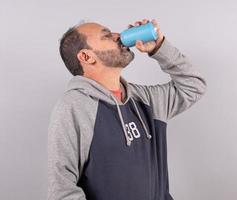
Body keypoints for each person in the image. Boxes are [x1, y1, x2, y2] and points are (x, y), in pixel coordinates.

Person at [47, 18, 206, 200]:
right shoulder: (74, 107)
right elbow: (62, 190)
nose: (118, 36)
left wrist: (159, 48)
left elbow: (194, 85)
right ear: (86, 57)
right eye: (107, 35)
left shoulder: (145, 100)